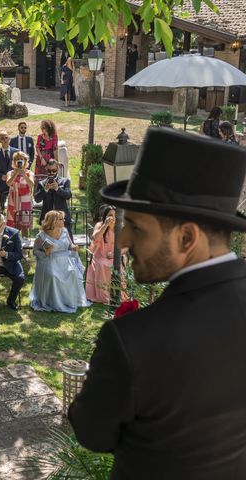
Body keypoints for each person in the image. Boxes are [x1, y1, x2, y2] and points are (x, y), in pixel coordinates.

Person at [68, 127, 246, 479]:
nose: (122, 240)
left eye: (135, 226)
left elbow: (91, 432)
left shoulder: (132, 341)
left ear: (186, 237)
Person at [30, 210, 89, 312]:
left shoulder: (65, 231)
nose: (64, 220)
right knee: (53, 276)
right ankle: (54, 302)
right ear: (53, 221)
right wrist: (45, 253)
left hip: (65, 260)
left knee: (73, 273)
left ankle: (68, 300)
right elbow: (35, 251)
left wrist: (73, 247)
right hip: (49, 260)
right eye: (61, 219)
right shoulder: (41, 236)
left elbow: (70, 245)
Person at [85, 205, 123, 305]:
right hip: (100, 255)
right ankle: (104, 296)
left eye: (115, 215)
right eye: (110, 215)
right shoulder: (100, 224)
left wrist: (116, 254)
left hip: (114, 255)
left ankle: (116, 294)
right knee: (102, 265)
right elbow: (95, 238)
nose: (113, 218)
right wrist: (105, 225)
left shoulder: (119, 227)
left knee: (117, 266)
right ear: (105, 216)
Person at [34, 160, 72, 238]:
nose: (51, 173)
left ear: (58, 169)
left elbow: (68, 195)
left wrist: (58, 189)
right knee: (47, 245)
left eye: (54, 170)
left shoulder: (64, 181)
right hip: (47, 219)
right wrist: (45, 190)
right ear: (46, 169)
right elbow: (37, 199)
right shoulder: (42, 183)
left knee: (68, 243)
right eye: (49, 171)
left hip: (62, 218)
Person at [5, 151, 34, 238]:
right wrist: (16, 173)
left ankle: (25, 250)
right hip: (13, 201)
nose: (19, 161)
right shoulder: (10, 173)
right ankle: (13, 246)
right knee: (12, 226)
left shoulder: (29, 173)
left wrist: (24, 175)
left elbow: (32, 184)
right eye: (17, 159)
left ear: (25, 161)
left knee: (25, 226)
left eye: (21, 159)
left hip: (25, 202)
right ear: (14, 161)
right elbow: (8, 183)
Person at [0, 131, 19, 210]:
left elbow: (20, 166)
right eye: (2, 138)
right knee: (0, 206)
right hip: (1, 183)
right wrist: (1, 176)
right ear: (0, 140)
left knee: (15, 205)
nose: (5, 140)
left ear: (9, 139)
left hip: (14, 182)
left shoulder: (16, 151)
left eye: (6, 137)